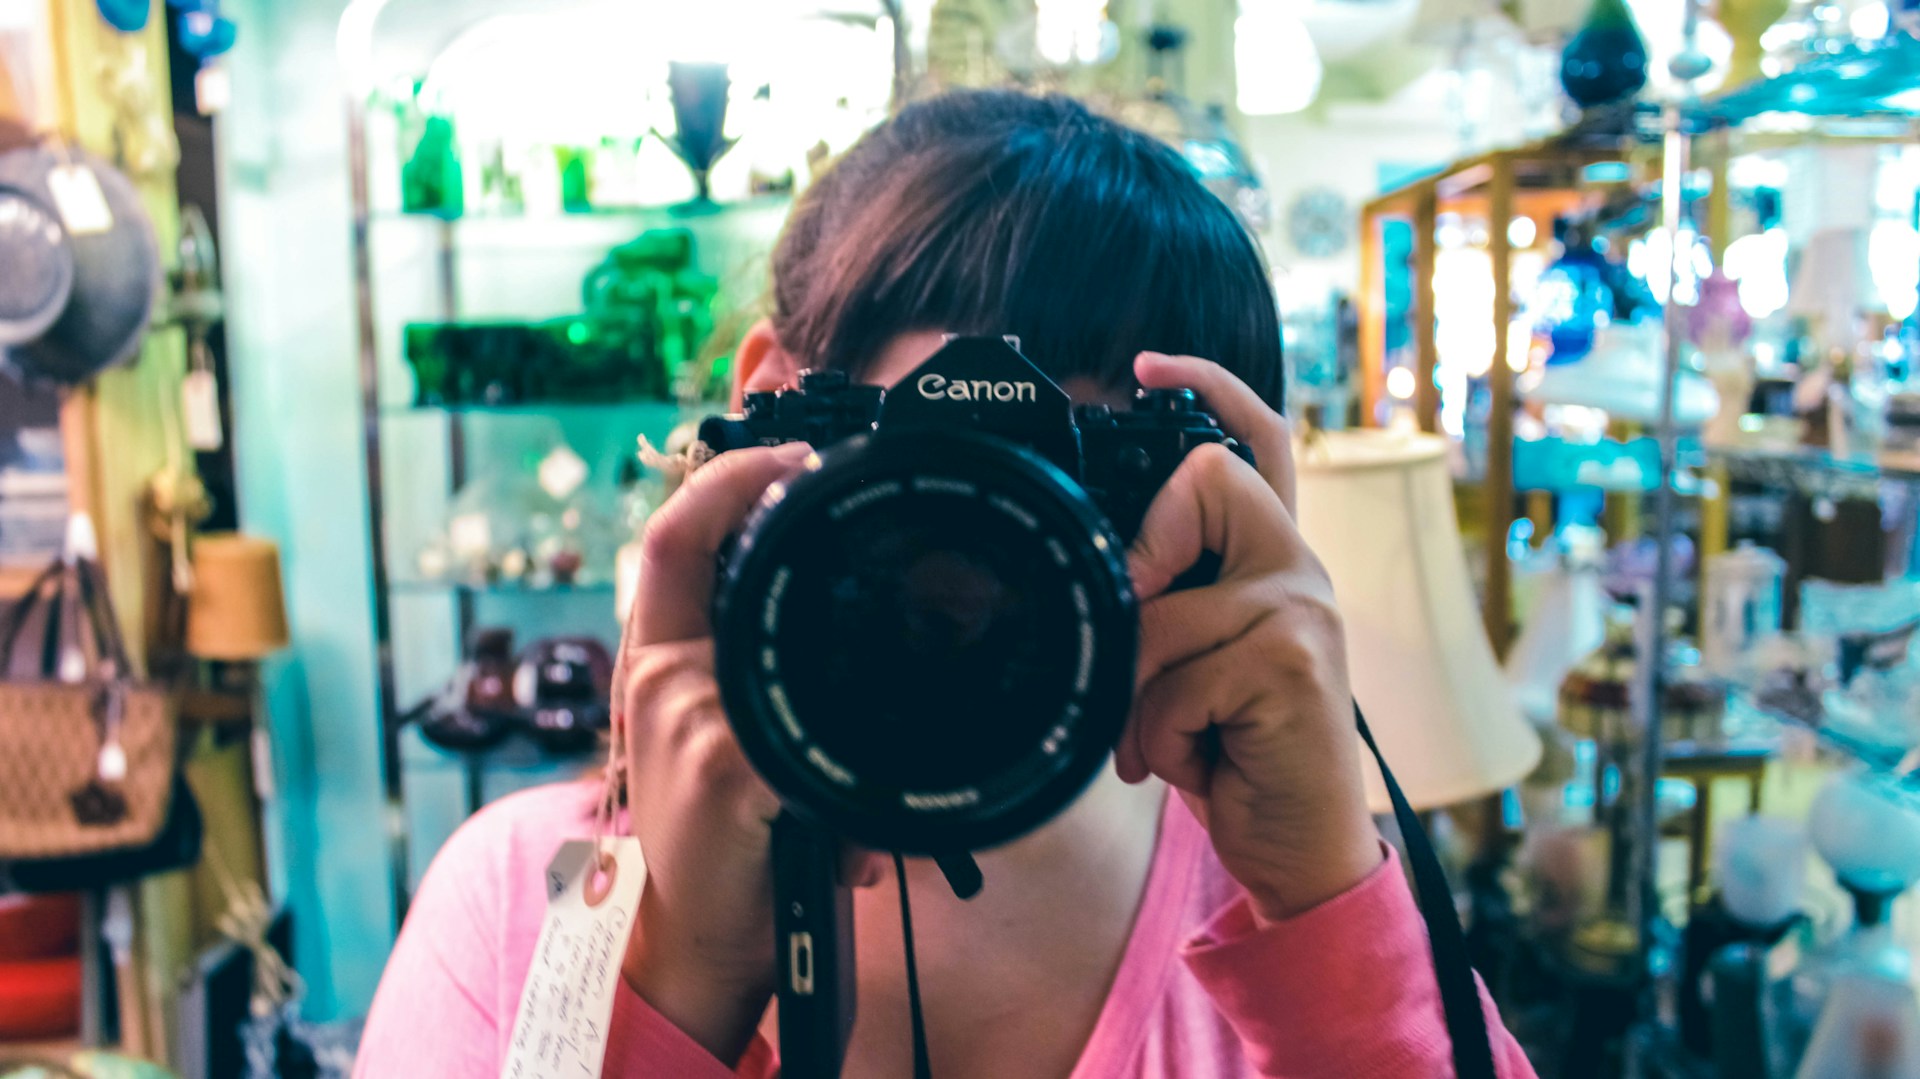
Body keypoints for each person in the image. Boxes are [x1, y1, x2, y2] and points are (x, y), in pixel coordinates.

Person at [355, 89, 1538, 1078]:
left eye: (1094, 469)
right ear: (770, 404)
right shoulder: (523, 903)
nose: (1000, 556)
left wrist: (1333, 910)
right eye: (955, 459)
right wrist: (683, 976)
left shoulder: (1289, 900)